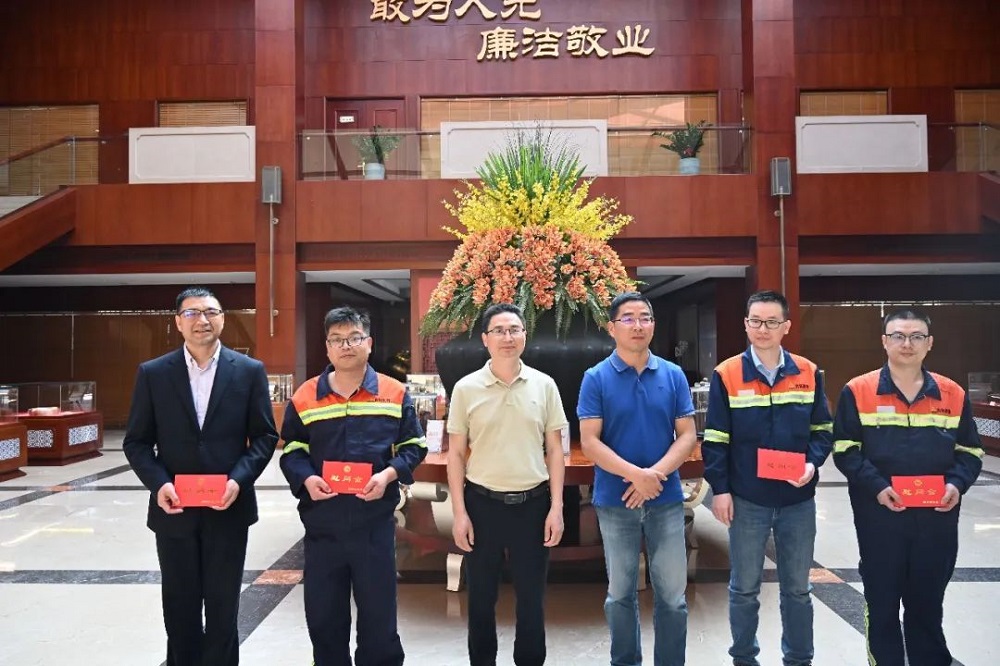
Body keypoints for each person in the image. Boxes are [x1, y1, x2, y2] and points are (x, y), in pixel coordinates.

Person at [123, 286, 278, 666]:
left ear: (223, 319)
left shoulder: (249, 371)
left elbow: (264, 436)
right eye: (192, 313)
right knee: (180, 609)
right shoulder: (154, 374)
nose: (202, 320)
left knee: (224, 609)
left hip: (228, 508)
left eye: (210, 312)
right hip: (174, 511)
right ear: (178, 322)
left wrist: (238, 480)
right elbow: (137, 442)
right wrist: (160, 484)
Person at [833, 308, 983, 666]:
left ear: (929, 344)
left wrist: (957, 484)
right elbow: (845, 449)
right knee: (882, 604)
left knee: (927, 606)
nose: (907, 344)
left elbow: (970, 451)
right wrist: (877, 486)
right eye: (898, 336)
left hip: (937, 520)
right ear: (884, 342)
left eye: (917, 336)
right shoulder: (858, 390)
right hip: (880, 518)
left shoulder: (952, 393)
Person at [279, 306, 426, 666]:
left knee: (379, 617)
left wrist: (387, 475)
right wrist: (307, 478)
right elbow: (293, 450)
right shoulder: (305, 396)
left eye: (354, 338)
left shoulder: (393, 393)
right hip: (322, 525)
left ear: (369, 343)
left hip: (374, 524)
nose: (346, 346)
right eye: (337, 339)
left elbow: (414, 446)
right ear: (327, 347)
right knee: (324, 617)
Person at [702, 289, 833, 666]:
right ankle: (744, 658)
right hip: (748, 499)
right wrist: (720, 491)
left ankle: (799, 659)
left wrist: (812, 465)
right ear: (746, 325)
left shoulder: (808, 372)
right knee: (744, 589)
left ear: (786, 326)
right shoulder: (727, 374)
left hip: (797, 502)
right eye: (756, 321)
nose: (763, 329)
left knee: (798, 590)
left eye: (772, 322)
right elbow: (716, 438)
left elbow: (823, 431)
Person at [578, 291, 697, 666]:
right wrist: (635, 476)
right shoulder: (595, 378)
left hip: (666, 499)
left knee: (673, 597)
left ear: (653, 325)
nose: (637, 325)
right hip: (615, 501)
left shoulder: (673, 375)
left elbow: (687, 435)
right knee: (620, 594)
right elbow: (590, 441)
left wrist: (653, 477)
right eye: (628, 318)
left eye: (644, 317)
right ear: (611, 328)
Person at [446, 303, 568, 666]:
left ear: (525, 336)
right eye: (499, 330)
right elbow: (456, 454)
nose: (507, 337)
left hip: (533, 505)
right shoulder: (466, 388)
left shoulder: (544, 385)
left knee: (532, 599)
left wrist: (557, 507)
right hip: (481, 505)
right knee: (481, 599)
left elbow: (555, 450)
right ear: (485, 339)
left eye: (514, 329)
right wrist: (459, 513)